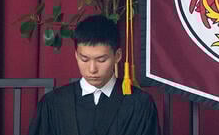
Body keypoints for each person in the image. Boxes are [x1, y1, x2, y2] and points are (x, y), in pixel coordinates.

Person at [28, 15, 159, 135]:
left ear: (117, 56)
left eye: (101, 60)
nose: (92, 69)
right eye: (84, 59)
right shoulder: (54, 103)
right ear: (76, 55)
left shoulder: (140, 105)